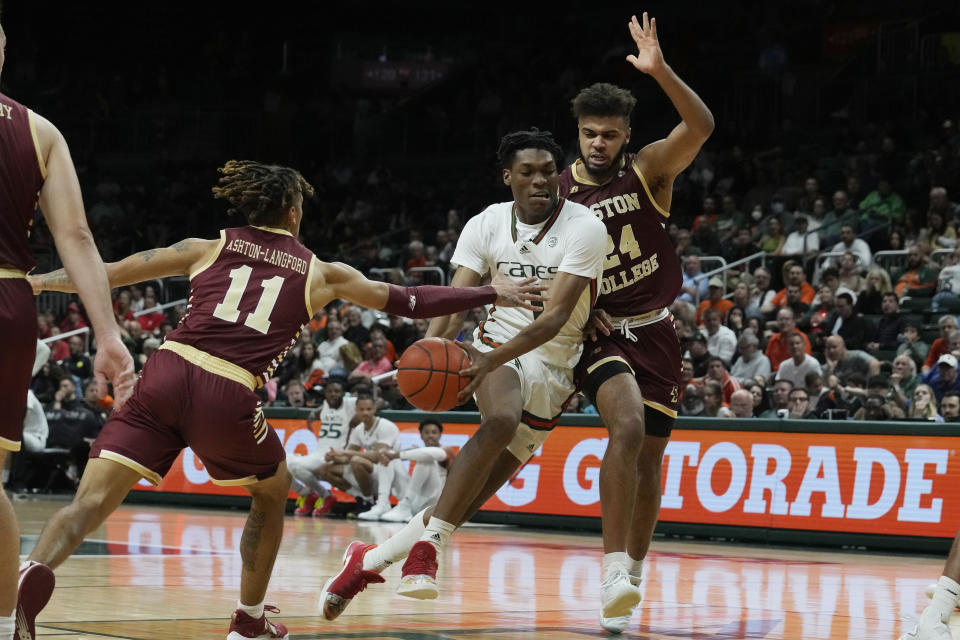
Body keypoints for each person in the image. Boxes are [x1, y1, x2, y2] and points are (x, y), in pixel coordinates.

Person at [25, 160, 542, 639]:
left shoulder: (206, 246)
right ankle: (249, 621)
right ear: (294, 212)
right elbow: (410, 300)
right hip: (227, 387)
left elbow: (104, 272)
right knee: (272, 491)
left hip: (166, 370)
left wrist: (34, 283)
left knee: (87, 503)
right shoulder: (321, 271)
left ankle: (30, 579)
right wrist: (489, 292)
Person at [319, 128, 608, 621]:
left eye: (546, 172)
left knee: (460, 506)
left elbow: (556, 318)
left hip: (556, 366)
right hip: (495, 348)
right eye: (527, 172)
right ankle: (427, 554)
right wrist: (434, 350)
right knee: (498, 420)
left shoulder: (585, 226)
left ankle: (366, 560)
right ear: (507, 177)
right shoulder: (486, 223)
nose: (539, 181)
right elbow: (454, 304)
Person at [0, 23, 136, 640]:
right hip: (9, 300)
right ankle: (7, 625)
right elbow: (76, 238)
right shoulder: (40, 131)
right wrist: (106, 334)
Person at [322, 394, 400, 518]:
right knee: (326, 469)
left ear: (374, 409)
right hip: (371, 474)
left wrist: (347, 453)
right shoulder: (359, 429)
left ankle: (369, 502)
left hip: (389, 476)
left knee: (357, 461)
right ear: (356, 410)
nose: (365, 413)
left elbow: (377, 457)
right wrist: (334, 456)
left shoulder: (386, 426)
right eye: (362, 409)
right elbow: (345, 458)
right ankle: (361, 499)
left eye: (369, 409)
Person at [288, 380, 357, 517]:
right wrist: (314, 413)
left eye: (337, 391)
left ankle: (324, 495)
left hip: (334, 455)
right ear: (325, 394)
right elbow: (321, 409)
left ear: (343, 394)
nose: (333, 394)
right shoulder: (325, 405)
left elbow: (374, 402)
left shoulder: (348, 404)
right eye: (330, 391)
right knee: (282, 463)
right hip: (318, 453)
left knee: (295, 466)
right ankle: (309, 494)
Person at [373, 419, 458, 523]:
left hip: (435, 502)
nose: (430, 435)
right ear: (421, 435)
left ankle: (406, 505)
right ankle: (383, 503)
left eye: (434, 432)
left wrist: (397, 455)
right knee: (389, 459)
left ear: (440, 435)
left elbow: (433, 453)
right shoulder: (417, 451)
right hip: (415, 500)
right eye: (426, 432)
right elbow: (388, 455)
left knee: (425, 461)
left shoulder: (446, 450)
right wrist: (388, 455)